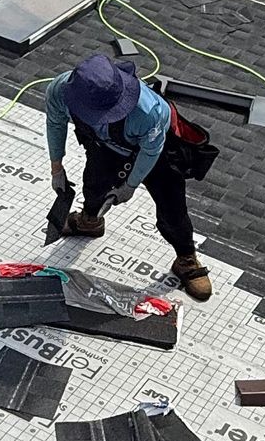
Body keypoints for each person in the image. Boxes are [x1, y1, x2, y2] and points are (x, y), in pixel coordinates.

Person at [46, 51, 213, 301]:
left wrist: (130, 185)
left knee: (172, 207)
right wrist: (56, 167)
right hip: (104, 144)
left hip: (154, 154)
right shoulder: (61, 90)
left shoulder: (150, 111)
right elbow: (55, 122)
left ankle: (185, 257)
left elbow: (151, 150)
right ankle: (90, 221)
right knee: (94, 184)